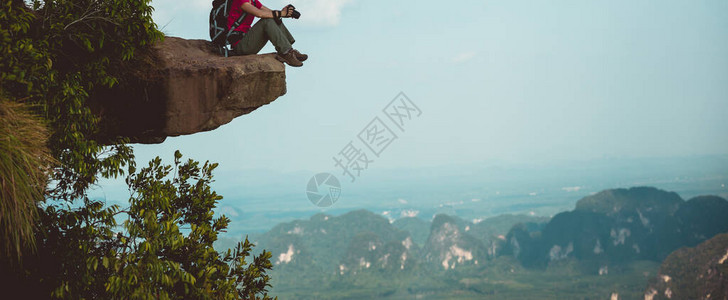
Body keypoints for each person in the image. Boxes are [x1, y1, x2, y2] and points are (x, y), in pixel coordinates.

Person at [228, 0, 307, 67]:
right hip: (240, 46)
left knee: (273, 18)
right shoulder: (240, 1)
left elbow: (270, 13)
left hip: (248, 42)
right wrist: (281, 13)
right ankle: (285, 52)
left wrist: (284, 13)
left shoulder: (253, 1)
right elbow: (260, 14)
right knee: (266, 21)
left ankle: (290, 51)